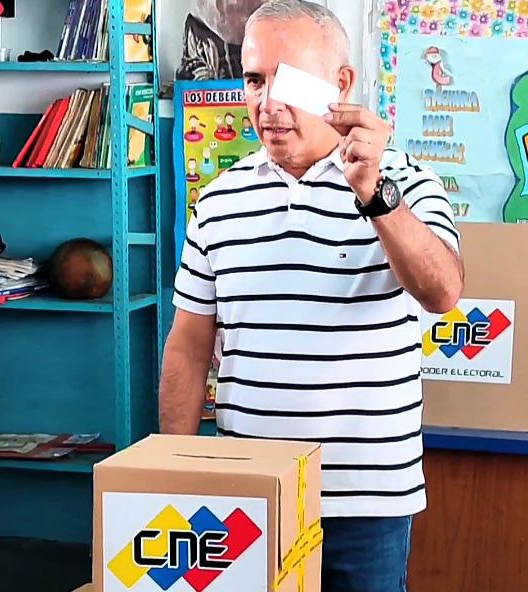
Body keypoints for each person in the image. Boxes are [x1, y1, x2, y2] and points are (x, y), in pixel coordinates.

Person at [158, 1, 464, 590]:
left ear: (341, 85)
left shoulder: (408, 183)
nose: (268, 102)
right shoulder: (218, 200)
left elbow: (443, 292)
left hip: (366, 498)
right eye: (254, 80)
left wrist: (376, 196)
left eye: (289, 81)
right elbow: (189, 347)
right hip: (249, 489)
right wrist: (175, 468)